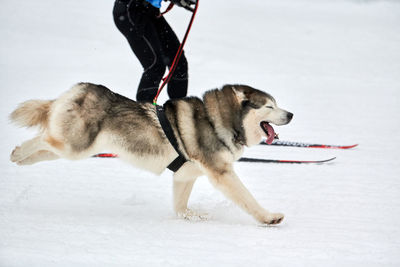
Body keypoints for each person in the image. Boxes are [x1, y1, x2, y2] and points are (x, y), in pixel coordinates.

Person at [113, 0, 196, 102]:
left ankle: (178, 113)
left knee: (179, 63)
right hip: (130, 10)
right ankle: (143, 115)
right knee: (155, 65)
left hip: (150, 10)